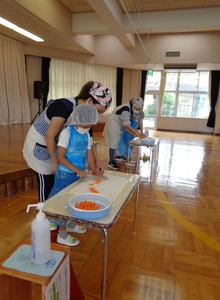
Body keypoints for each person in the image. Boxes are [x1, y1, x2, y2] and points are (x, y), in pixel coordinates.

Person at [23, 81, 112, 202]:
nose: (98, 115)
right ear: (90, 101)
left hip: (58, 146)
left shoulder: (87, 119)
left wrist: (97, 162)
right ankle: (44, 212)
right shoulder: (64, 107)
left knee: (58, 184)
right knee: (46, 181)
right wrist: (55, 162)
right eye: (99, 111)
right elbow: (49, 136)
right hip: (41, 144)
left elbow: (89, 142)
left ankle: (57, 211)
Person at [48, 104, 99, 246]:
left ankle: (70, 224)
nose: (87, 129)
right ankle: (62, 235)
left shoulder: (87, 134)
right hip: (65, 174)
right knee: (63, 203)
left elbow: (89, 154)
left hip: (78, 174)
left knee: (74, 200)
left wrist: (94, 171)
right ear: (77, 120)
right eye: (85, 126)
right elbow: (61, 157)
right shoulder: (67, 133)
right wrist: (78, 171)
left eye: (90, 126)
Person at [103, 97, 145, 170]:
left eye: (140, 110)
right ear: (133, 106)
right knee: (114, 141)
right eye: (137, 109)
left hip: (119, 123)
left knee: (120, 140)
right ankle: (111, 162)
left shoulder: (132, 109)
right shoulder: (126, 110)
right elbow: (126, 125)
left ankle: (119, 156)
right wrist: (136, 132)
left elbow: (139, 121)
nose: (138, 111)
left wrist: (141, 132)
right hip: (113, 122)